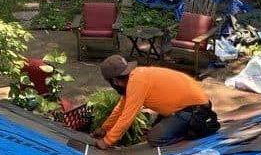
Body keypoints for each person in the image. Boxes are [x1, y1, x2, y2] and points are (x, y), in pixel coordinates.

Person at [91, 55, 219, 148]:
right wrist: (104, 128)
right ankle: (185, 126)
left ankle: (193, 132)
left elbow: (127, 117)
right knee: (155, 130)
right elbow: (121, 108)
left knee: (155, 138)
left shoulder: (137, 83)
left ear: (115, 81)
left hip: (196, 110)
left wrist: (107, 141)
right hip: (187, 107)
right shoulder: (135, 77)